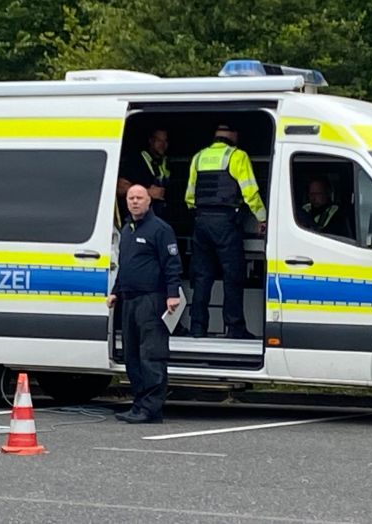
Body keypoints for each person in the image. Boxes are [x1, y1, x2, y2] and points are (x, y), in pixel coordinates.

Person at [107, 185, 182, 424]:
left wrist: (172, 294)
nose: (135, 202)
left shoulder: (160, 229)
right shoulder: (127, 230)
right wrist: (115, 292)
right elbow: (125, 266)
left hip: (152, 299)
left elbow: (172, 263)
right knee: (132, 356)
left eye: (139, 198)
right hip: (129, 300)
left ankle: (151, 408)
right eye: (131, 198)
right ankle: (138, 404)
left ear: (149, 201)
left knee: (151, 355)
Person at [185, 124, 266, 340]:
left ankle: (197, 327)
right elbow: (250, 192)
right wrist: (262, 218)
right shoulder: (237, 156)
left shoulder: (198, 157)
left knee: (202, 276)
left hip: (201, 223)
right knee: (233, 275)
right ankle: (234, 327)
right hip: (226, 223)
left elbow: (189, 197)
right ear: (233, 135)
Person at [116, 129, 170, 225]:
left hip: (159, 220)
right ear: (151, 141)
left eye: (165, 141)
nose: (163, 144)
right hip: (138, 221)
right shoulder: (136, 161)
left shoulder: (165, 162)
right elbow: (120, 187)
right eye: (159, 140)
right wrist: (148, 192)